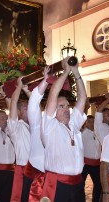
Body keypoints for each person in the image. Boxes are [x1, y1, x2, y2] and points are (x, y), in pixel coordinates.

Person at [40, 57, 87, 201]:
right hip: (58, 185)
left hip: (78, 184)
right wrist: (66, 71)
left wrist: (76, 72)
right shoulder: (50, 125)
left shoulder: (74, 124)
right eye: (61, 106)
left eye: (67, 106)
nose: (66, 109)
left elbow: (82, 98)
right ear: (54, 109)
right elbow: (54, 92)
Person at [21, 66, 50, 201]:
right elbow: (34, 104)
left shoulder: (60, 125)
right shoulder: (38, 122)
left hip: (51, 177)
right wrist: (45, 80)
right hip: (33, 174)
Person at [8, 77, 31, 202]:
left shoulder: (36, 125)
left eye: (28, 107)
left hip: (37, 169)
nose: (28, 110)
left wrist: (27, 91)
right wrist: (19, 86)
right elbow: (13, 102)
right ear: (18, 112)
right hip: (22, 169)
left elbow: (36, 106)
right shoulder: (15, 128)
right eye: (24, 108)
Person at [81, 114, 102, 202]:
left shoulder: (98, 133)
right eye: (89, 122)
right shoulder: (82, 133)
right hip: (85, 164)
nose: (91, 123)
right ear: (85, 123)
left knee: (98, 185)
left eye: (93, 121)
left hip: (96, 164)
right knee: (81, 185)